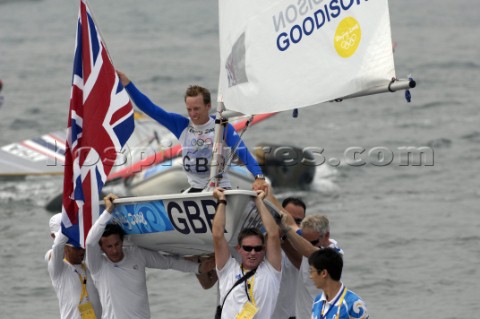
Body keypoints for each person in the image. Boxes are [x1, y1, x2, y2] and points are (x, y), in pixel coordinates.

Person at [117, 71, 268, 192]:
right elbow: (149, 108)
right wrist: (127, 84)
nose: (193, 114)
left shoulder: (221, 125)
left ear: (208, 106)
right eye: (189, 109)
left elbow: (243, 152)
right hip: (195, 189)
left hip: (221, 187)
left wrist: (259, 176)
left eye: (197, 109)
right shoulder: (180, 125)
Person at [85, 193, 215, 319]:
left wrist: (198, 268)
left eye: (117, 244)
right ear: (101, 248)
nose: (114, 250)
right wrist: (108, 211)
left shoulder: (137, 254)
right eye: (109, 247)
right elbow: (90, 242)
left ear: (122, 241)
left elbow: (169, 262)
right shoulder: (98, 266)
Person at [212, 187, 282, 318]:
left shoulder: (271, 271)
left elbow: (273, 234)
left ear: (264, 249)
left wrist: (258, 201)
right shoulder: (228, 269)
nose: (253, 252)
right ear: (239, 249)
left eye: (258, 248)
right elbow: (217, 235)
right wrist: (222, 201)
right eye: (248, 248)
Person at [280, 213, 344, 319]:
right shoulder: (310, 238)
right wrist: (267, 196)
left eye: (312, 242)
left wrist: (285, 229)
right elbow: (291, 222)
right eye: (304, 240)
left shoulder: (333, 254)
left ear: (326, 235)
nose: (307, 243)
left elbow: (308, 250)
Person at [47, 213, 102, 319]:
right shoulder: (58, 269)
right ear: (65, 245)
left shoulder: (90, 266)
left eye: (83, 245)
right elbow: (58, 246)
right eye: (76, 246)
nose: (82, 250)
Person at [309, 248, 369, 319]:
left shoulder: (354, 304)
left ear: (324, 273)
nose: (311, 276)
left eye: (312, 271)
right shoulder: (317, 301)